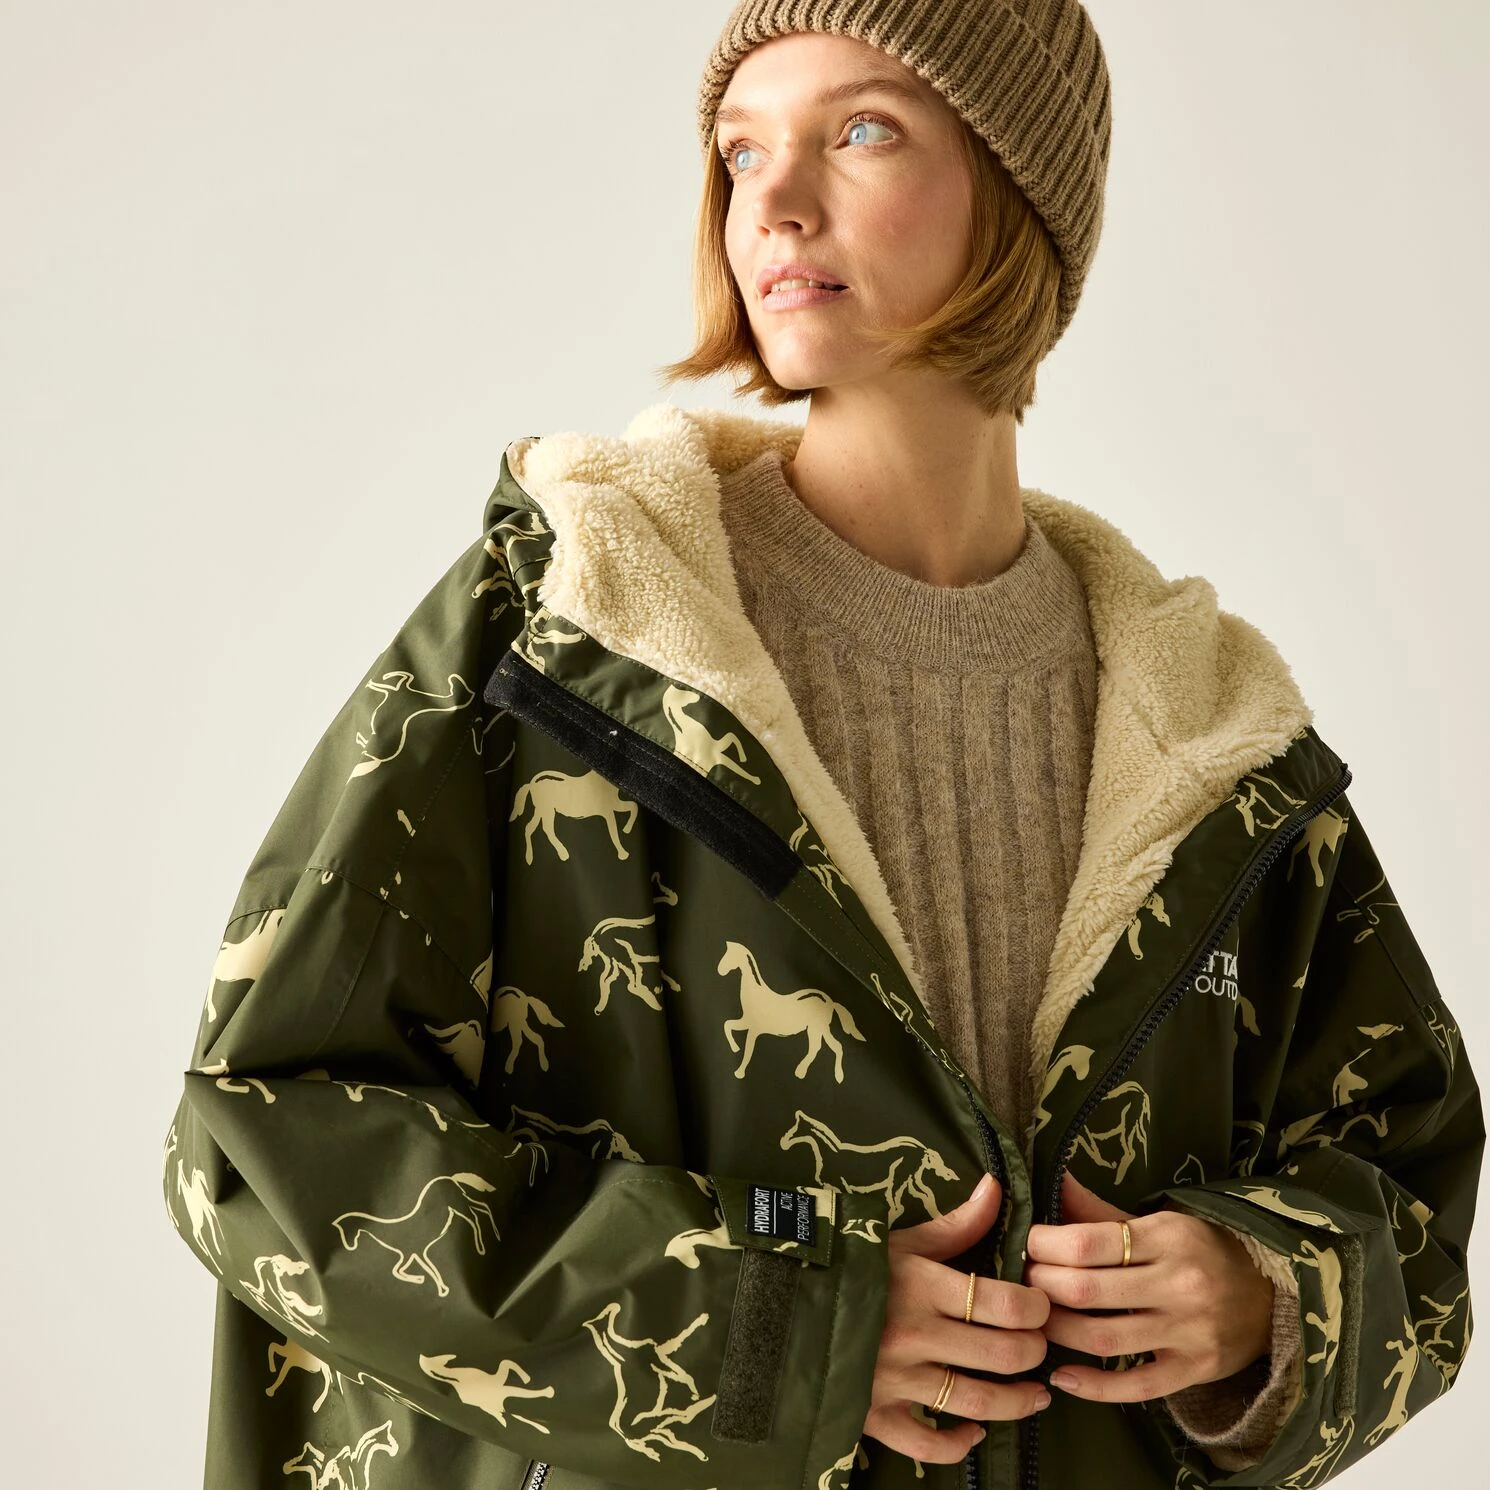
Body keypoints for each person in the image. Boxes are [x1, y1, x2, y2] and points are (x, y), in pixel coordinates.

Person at [162, 3, 1481, 1488]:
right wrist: (768, 1322)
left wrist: (1264, 1292)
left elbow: (1406, 1169)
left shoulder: (1208, 731)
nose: (773, 202)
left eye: (860, 130)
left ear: (1019, 192)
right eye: (740, 152)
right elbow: (262, 1137)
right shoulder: (571, 631)